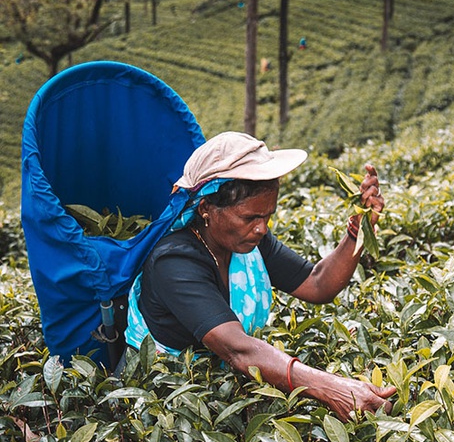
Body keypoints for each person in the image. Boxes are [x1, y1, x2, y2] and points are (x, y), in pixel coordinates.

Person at [123, 132, 395, 421]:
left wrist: (359, 228)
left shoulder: (249, 243)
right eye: (250, 218)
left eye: (267, 216)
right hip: (159, 399)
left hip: (218, 391)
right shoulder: (174, 260)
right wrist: (330, 387)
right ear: (206, 210)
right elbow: (237, 348)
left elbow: (318, 284)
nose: (262, 229)